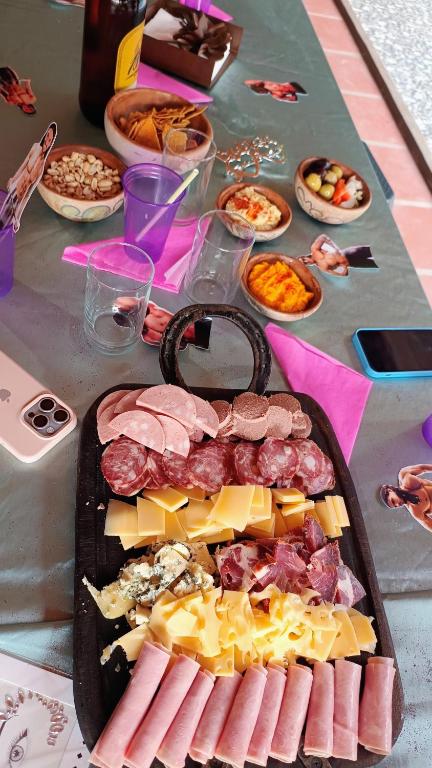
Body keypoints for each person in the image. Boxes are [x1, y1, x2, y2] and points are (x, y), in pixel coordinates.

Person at [4, 122, 56, 230]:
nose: (47, 140)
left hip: (19, 200)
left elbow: (28, 195)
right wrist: (13, 178)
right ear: (45, 135)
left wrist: (18, 217)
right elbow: (23, 167)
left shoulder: (41, 168)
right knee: (1, 216)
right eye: (47, 136)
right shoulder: (35, 147)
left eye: (50, 139)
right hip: (14, 189)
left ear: (51, 142)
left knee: (6, 226)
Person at [381, 463, 432, 532]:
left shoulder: (404, 475)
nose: (397, 505)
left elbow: (423, 468)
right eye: (395, 506)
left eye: (393, 501)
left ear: (390, 490)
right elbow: (428, 523)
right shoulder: (415, 510)